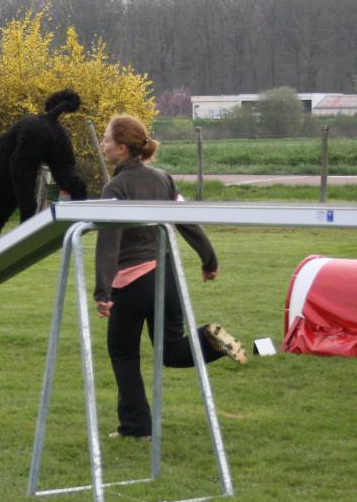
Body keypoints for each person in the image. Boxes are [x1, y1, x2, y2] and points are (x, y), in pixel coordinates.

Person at [94, 114, 247, 440]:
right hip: (167, 278)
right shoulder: (164, 179)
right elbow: (187, 220)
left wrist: (102, 291)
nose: (104, 145)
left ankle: (136, 428)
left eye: (107, 139)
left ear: (122, 148)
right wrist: (209, 259)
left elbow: (110, 241)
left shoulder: (115, 187)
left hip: (132, 284)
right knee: (171, 350)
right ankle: (210, 337)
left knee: (123, 353)